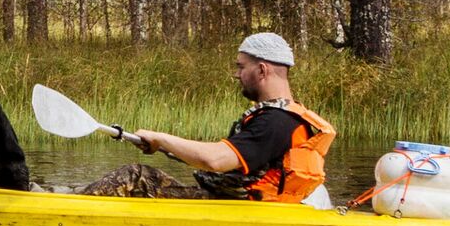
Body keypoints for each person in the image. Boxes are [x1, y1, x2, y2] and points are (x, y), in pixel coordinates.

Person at [78, 32, 335, 203]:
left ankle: (67, 209)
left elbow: (215, 160)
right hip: (238, 203)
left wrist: (159, 136)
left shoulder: (276, 121)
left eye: (240, 66)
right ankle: (67, 195)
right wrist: (164, 147)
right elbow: (222, 162)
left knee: (136, 176)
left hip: (237, 210)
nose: (236, 74)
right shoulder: (286, 116)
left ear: (262, 69)